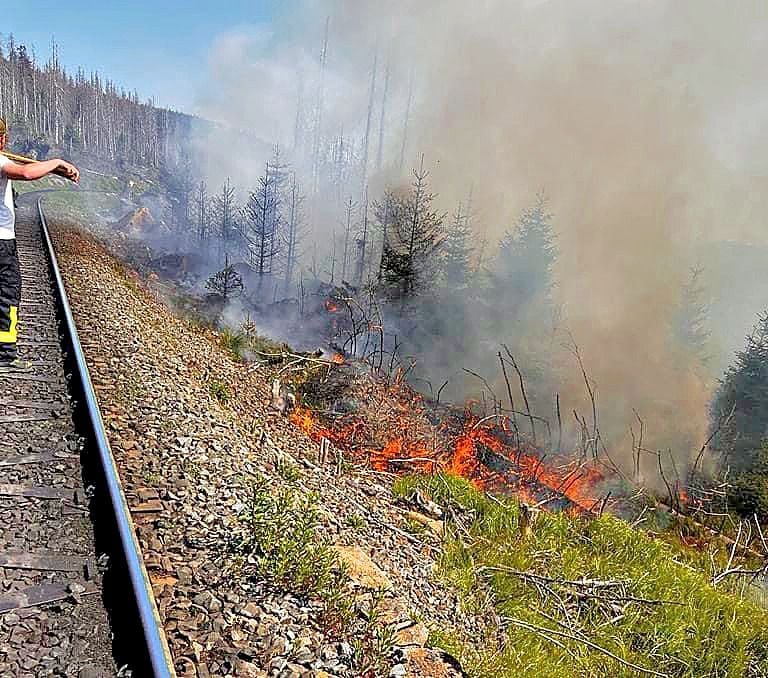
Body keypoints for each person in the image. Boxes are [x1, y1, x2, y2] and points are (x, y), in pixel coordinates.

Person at [0, 116, 79, 368]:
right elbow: (25, 172)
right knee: (6, 293)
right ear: (3, 139)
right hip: (2, 241)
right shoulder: (1, 161)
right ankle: (4, 352)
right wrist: (56, 162)